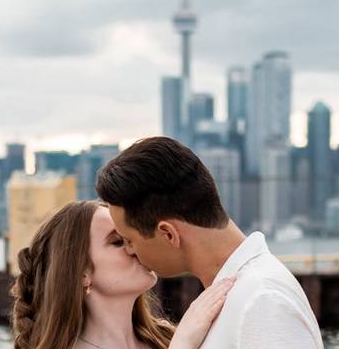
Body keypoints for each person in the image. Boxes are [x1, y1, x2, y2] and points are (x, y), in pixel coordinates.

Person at [96, 137, 324, 349]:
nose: (129, 251)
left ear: (168, 234)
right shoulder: (240, 295)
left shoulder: (262, 301)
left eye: (129, 240)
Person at [11, 200, 234, 349]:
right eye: (118, 242)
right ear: (81, 273)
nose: (135, 248)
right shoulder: (184, 337)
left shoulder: (168, 337)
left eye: (133, 237)